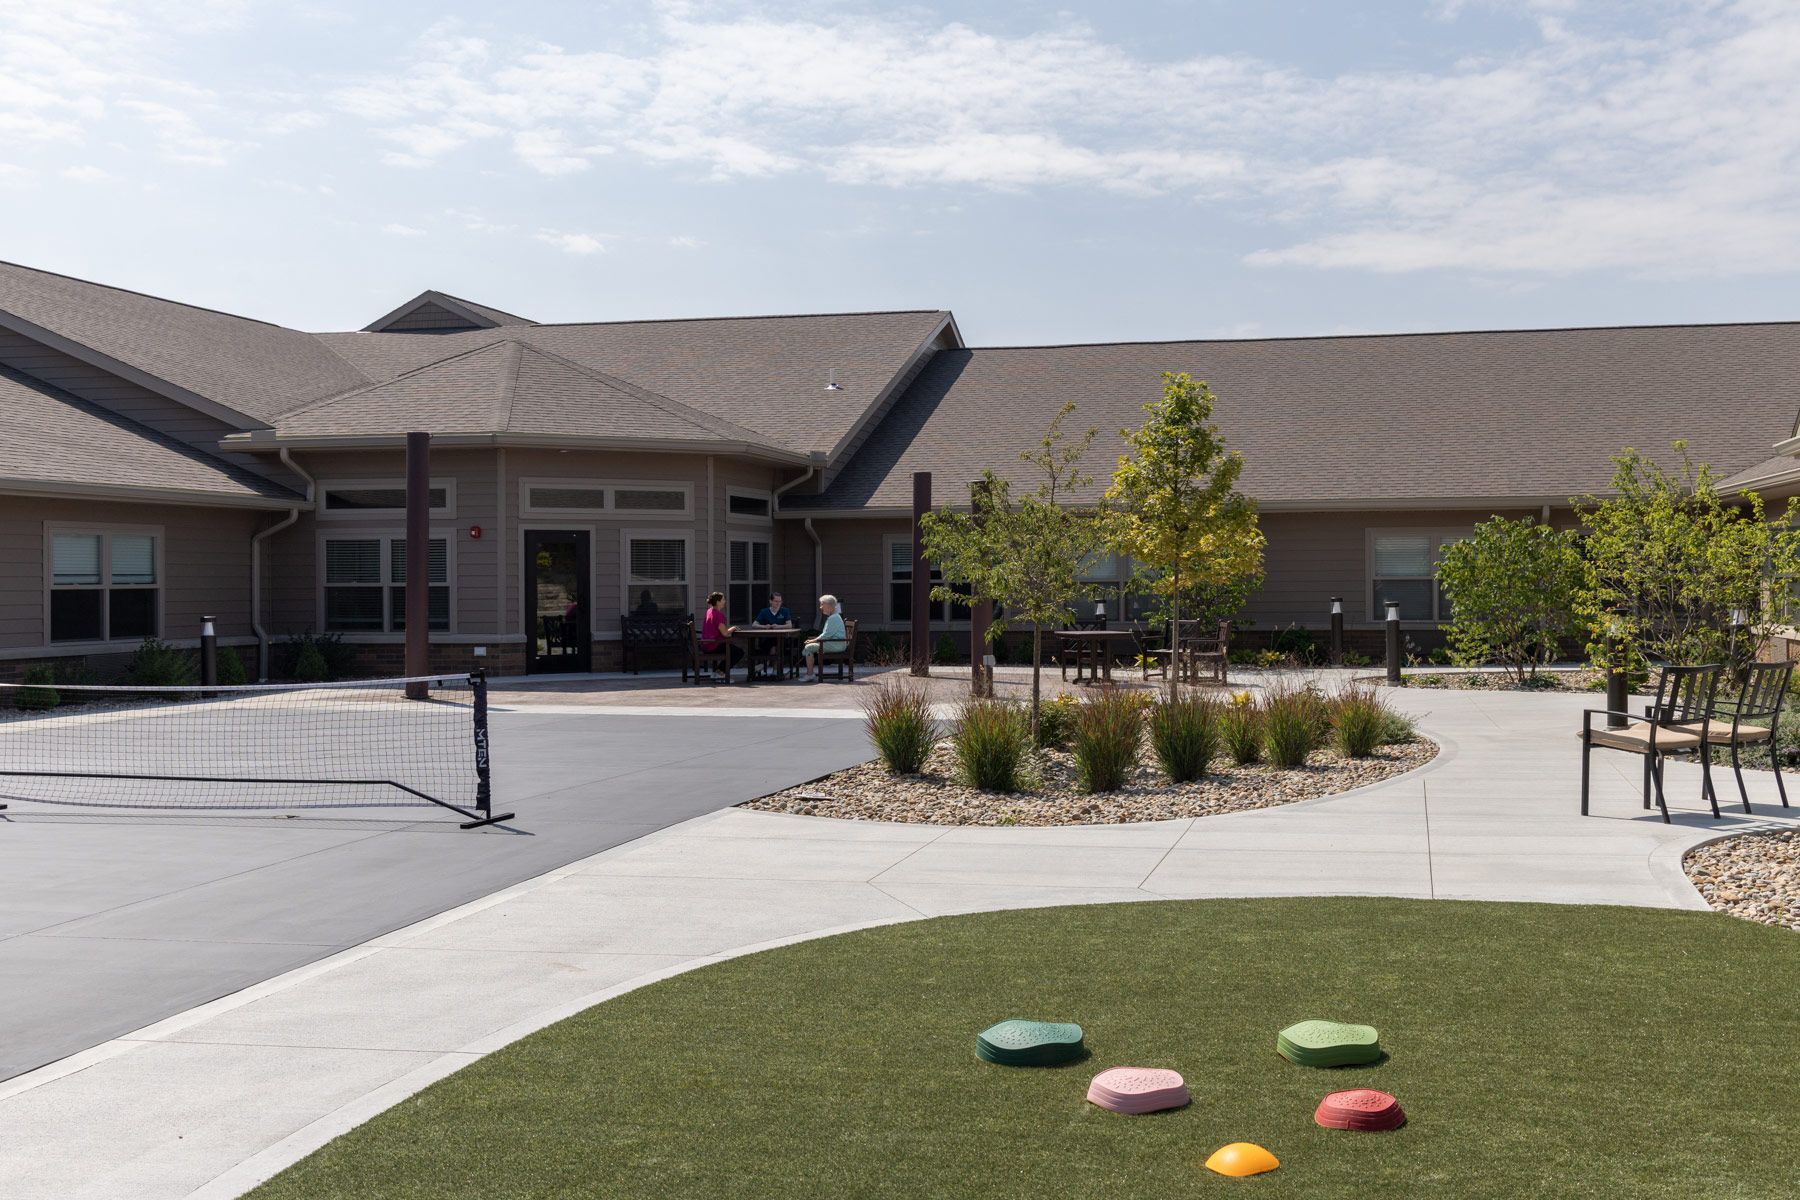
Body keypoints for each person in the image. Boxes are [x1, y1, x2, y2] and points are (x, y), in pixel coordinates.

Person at [801, 594, 848, 681]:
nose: (820, 607)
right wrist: (814, 640)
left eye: (822, 604)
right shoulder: (834, 616)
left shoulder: (833, 618)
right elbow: (826, 634)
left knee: (808, 647)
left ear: (829, 605)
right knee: (809, 646)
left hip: (836, 645)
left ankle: (810, 674)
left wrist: (813, 641)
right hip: (835, 643)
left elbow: (826, 635)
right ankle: (810, 673)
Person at [749, 591, 793, 679]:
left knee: (775, 645)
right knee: (772, 645)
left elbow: (789, 625)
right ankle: (774, 669)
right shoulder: (764, 611)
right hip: (767, 639)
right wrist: (764, 626)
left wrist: (778, 626)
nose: (778, 603)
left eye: (780, 601)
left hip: (782, 639)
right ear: (770, 601)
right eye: (776, 601)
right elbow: (754, 624)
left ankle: (766, 664)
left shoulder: (784, 611)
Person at [699, 591, 742, 678]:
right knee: (738, 652)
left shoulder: (709, 611)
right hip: (713, 645)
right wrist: (733, 628)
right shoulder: (718, 615)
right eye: (723, 600)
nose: (724, 601)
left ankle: (718, 671)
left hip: (706, 645)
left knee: (732, 649)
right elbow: (725, 633)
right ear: (718, 602)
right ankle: (720, 672)